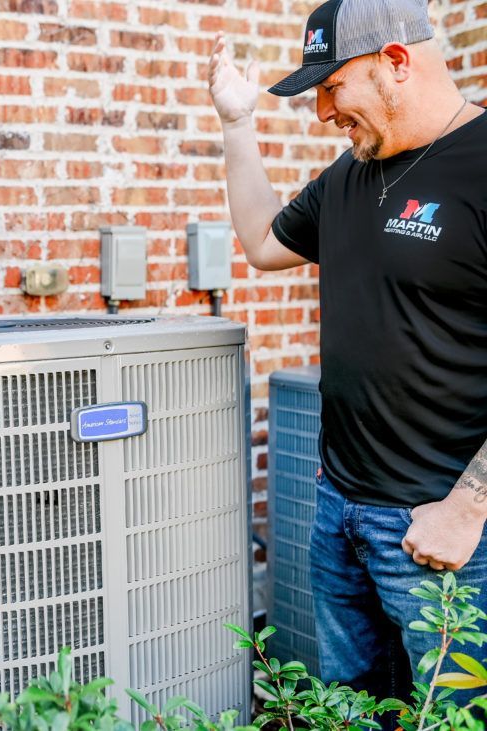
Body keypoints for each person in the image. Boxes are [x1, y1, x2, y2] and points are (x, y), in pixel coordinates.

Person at [209, 0, 487, 708]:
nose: (324, 112)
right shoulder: (353, 173)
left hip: (445, 534)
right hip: (340, 514)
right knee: (348, 710)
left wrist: (469, 505)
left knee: (449, 716)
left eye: (334, 88)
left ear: (395, 63)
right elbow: (264, 243)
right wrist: (237, 125)